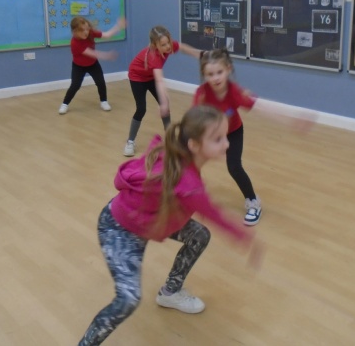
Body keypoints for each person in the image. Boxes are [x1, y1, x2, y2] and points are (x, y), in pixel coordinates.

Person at [78, 105, 262, 346]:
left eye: (224, 137)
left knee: (199, 235)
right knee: (128, 299)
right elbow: (214, 213)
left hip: (151, 219)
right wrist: (246, 238)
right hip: (119, 228)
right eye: (218, 139)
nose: (227, 144)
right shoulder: (188, 184)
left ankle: (170, 293)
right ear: (194, 145)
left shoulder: (179, 157)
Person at [194, 48, 316, 226]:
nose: (216, 78)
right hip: (211, 134)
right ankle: (195, 196)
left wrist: (291, 120)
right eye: (210, 74)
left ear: (228, 69)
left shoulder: (235, 92)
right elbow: (193, 119)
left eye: (219, 72)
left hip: (233, 131)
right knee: (194, 163)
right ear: (204, 75)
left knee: (234, 167)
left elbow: (262, 108)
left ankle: (253, 202)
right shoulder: (202, 94)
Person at [123, 25, 201, 156]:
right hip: (137, 77)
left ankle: (170, 139)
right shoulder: (154, 56)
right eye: (163, 45)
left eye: (168, 42)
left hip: (151, 76)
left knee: (165, 105)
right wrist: (163, 103)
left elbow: (182, 47)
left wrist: (199, 54)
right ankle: (130, 142)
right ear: (155, 45)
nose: (168, 46)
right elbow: (159, 80)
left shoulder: (168, 46)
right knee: (141, 109)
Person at [58, 16, 126, 115]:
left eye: (87, 29)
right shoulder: (75, 43)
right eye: (82, 30)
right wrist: (107, 56)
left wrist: (118, 26)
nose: (86, 32)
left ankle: (104, 101)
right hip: (79, 66)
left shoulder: (90, 33)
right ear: (74, 32)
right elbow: (93, 53)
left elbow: (107, 35)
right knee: (75, 85)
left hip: (93, 64)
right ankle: (65, 104)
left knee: (100, 82)